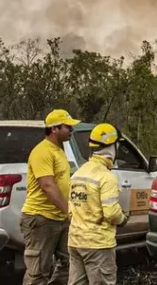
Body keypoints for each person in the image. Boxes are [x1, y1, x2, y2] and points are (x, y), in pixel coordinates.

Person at [21, 108, 79, 285]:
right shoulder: (42, 151)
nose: (71, 130)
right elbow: (47, 185)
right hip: (41, 218)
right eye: (67, 127)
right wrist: (70, 211)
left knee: (71, 263)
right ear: (54, 129)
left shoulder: (59, 151)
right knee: (38, 272)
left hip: (60, 218)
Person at [68, 123, 129, 285]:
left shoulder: (78, 174)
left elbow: (71, 210)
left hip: (75, 242)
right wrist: (122, 219)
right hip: (98, 244)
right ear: (111, 147)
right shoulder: (106, 177)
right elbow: (111, 213)